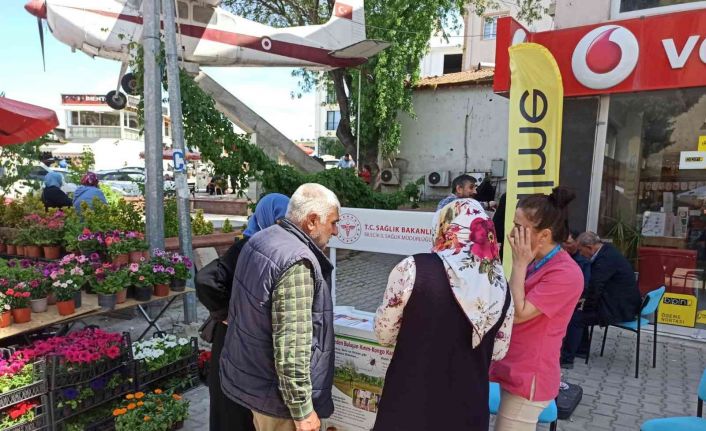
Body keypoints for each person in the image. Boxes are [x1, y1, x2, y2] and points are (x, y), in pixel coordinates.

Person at [373, 199, 513, 431]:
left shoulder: (413, 269)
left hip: (410, 402)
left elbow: (384, 334)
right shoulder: (499, 284)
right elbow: (498, 352)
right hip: (468, 408)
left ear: (444, 227)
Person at [220, 183, 341, 431]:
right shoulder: (297, 262)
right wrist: (303, 412)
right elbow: (292, 347)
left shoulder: (262, 238)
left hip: (253, 382)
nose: (336, 231)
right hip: (277, 400)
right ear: (312, 220)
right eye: (333, 222)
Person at [489, 187, 583, 431]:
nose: (511, 234)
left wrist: (518, 263)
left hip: (530, 375)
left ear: (544, 236)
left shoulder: (566, 273)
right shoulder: (537, 260)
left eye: (520, 228)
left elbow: (518, 313)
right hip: (512, 365)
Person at [196, 193, 290, 431]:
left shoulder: (269, 248)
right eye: (280, 221)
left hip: (243, 342)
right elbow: (205, 279)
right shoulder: (247, 248)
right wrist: (228, 312)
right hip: (232, 342)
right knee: (233, 411)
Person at [560, 231, 641, 368]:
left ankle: (567, 360)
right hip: (622, 302)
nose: (580, 254)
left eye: (581, 250)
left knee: (576, 318)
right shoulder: (608, 251)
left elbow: (595, 287)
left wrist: (585, 306)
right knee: (580, 313)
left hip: (619, 309)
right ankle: (581, 350)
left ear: (590, 247)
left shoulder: (604, 261)